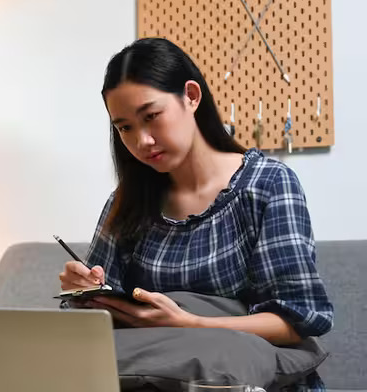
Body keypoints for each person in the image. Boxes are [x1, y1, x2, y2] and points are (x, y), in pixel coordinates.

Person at [58, 38, 333, 391]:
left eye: (152, 116)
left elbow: (299, 319)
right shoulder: (127, 201)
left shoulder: (266, 184)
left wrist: (189, 322)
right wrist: (85, 290)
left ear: (191, 95)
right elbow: (95, 321)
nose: (142, 141)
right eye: (125, 127)